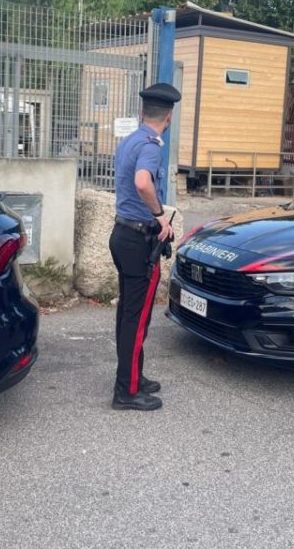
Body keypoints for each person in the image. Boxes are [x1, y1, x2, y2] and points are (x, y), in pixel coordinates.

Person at [108, 82, 181, 411]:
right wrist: (160, 217)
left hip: (122, 234)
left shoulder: (130, 140)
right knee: (136, 319)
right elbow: (142, 182)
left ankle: (133, 375)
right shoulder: (152, 146)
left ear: (142, 112)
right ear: (169, 116)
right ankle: (127, 390)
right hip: (139, 240)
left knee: (128, 312)